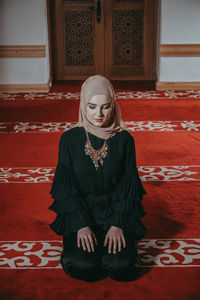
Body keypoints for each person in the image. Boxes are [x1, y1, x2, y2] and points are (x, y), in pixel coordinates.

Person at [48, 75, 147, 281]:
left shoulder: (125, 140)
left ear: (114, 106)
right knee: (85, 267)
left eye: (105, 107)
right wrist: (80, 225)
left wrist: (118, 224)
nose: (99, 114)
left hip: (115, 213)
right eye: (92, 106)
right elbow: (66, 187)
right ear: (83, 105)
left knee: (121, 267)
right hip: (82, 214)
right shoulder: (69, 139)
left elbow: (127, 185)